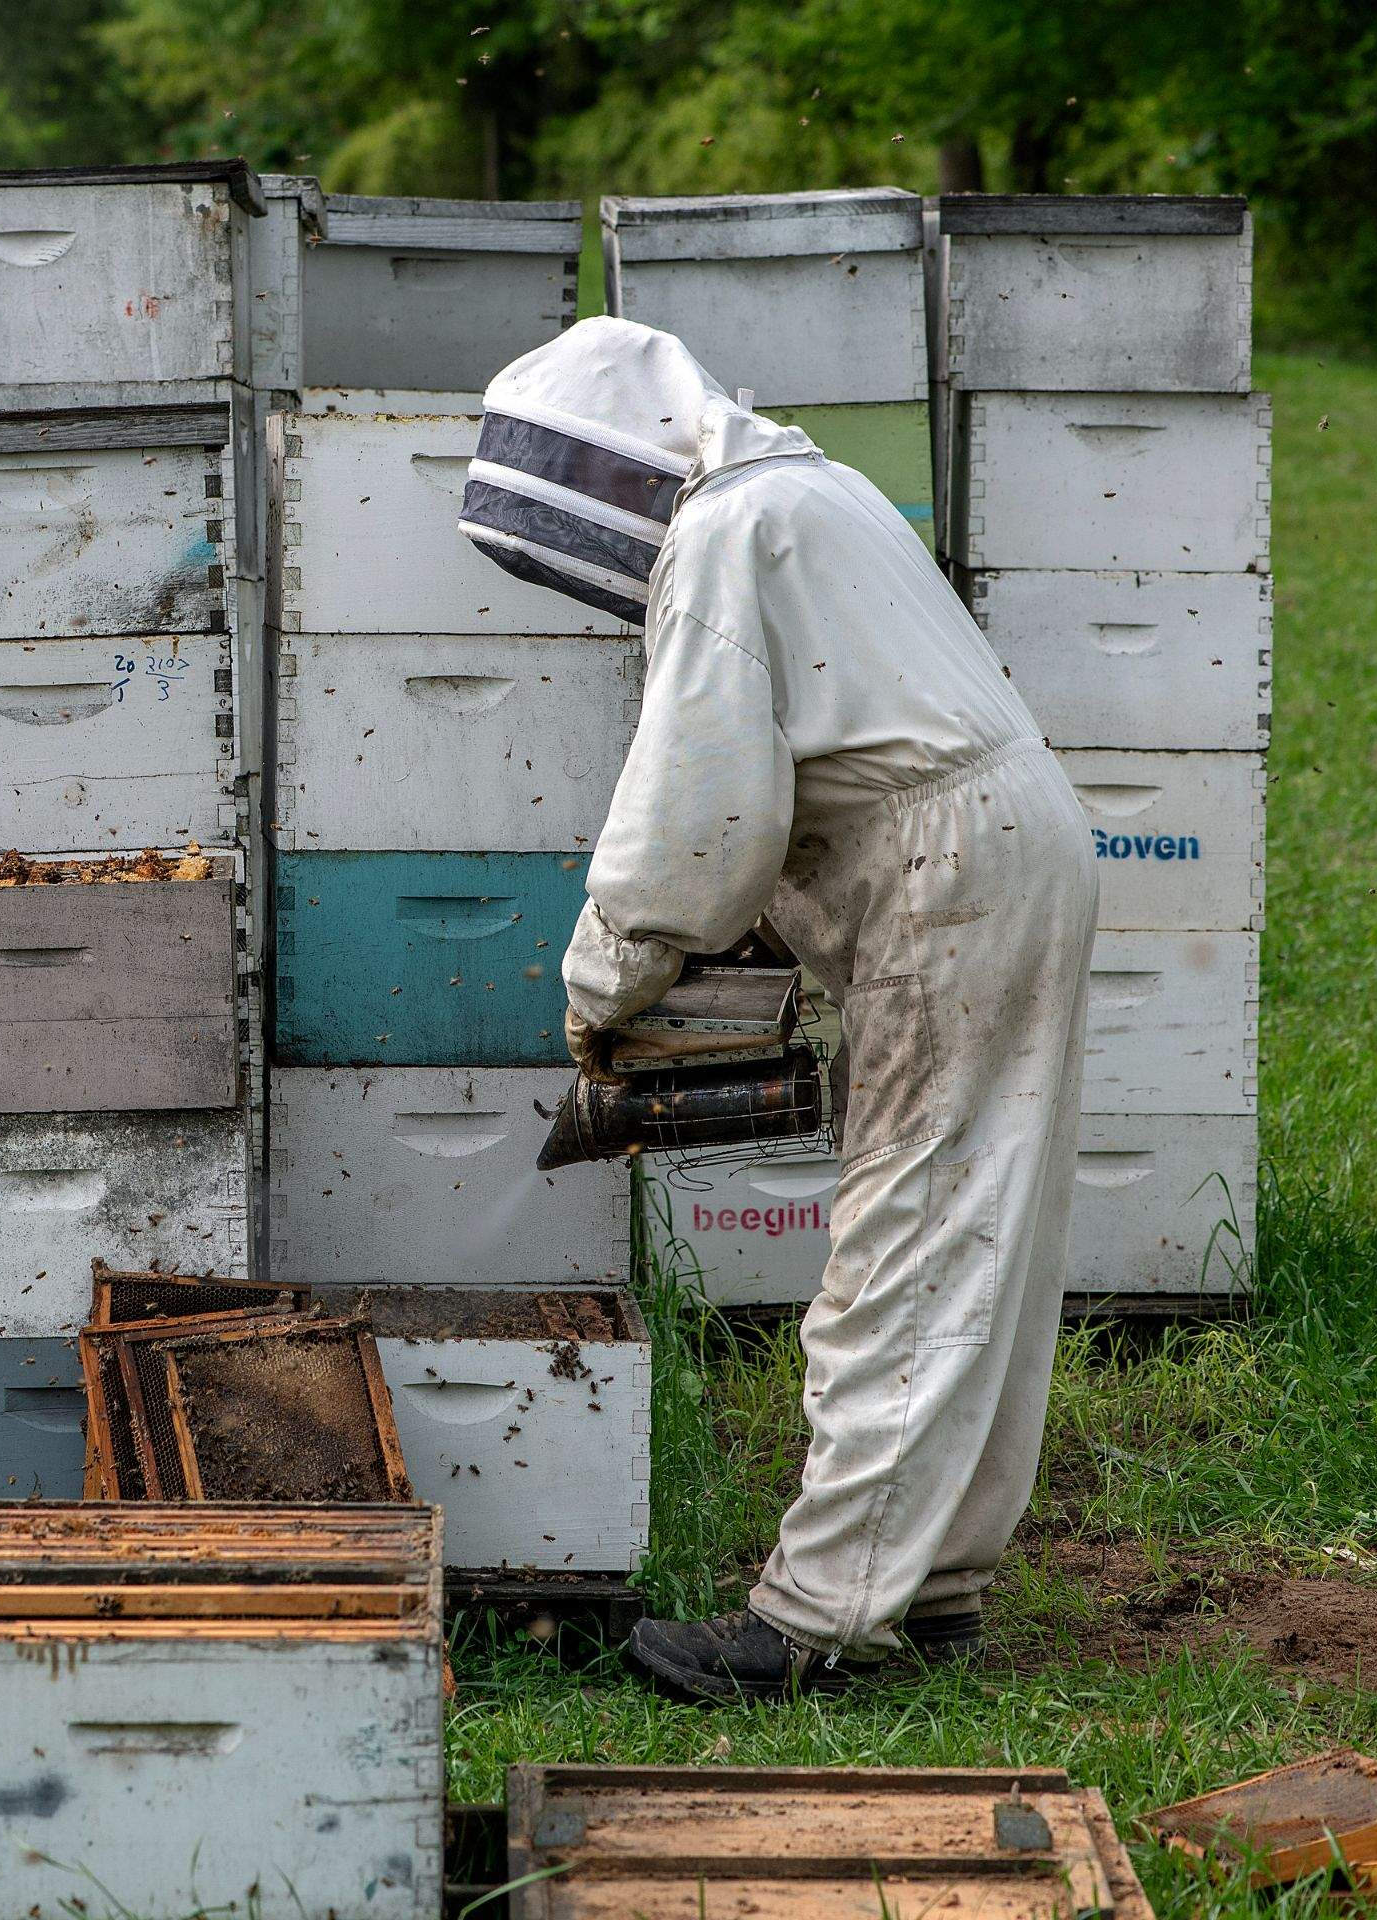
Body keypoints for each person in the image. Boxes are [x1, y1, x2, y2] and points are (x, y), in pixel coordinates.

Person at [458, 318, 1100, 1698]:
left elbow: (696, 816)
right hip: (1000, 844)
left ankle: (813, 1620)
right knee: (982, 1223)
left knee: (906, 1239)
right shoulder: (810, 488)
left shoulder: (724, 533)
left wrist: (604, 982)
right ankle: (934, 1584)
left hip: (946, 875)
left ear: (603, 468)